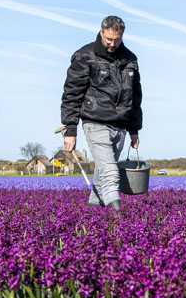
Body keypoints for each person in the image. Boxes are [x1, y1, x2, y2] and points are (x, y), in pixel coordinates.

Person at [61, 16, 142, 209]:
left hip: (120, 125)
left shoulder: (130, 59)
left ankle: (93, 213)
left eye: (117, 40)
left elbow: (135, 96)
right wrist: (71, 129)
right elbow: (72, 93)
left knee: (101, 174)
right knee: (111, 171)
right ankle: (117, 214)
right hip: (94, 121)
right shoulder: (85, 56)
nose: (112, 44)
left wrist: (134, 129)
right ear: (101, 32)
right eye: (109, 40)